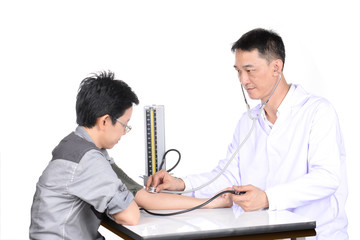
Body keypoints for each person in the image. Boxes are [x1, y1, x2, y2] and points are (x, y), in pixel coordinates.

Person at [146, 28, 348, 239]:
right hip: (267, 233)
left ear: (276, 67)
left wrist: (268, 198)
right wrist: (181, 184)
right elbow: (229, 177)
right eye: (238, 71)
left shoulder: (317, 112)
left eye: (250, 70)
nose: (243, 80)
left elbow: (327, 177)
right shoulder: (248, 122)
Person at [29, 71, 232, 240]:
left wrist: (211, 202)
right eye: (124, 124)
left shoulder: (78, 145)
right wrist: (126, 202)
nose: (124, 132)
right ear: (105, 121)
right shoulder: (88, 159)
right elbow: (130, 216)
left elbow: (143, 197)